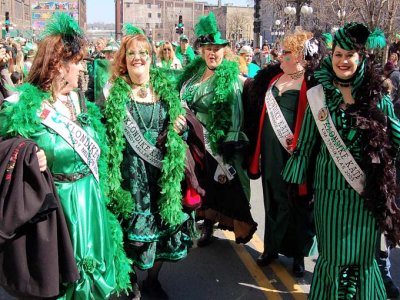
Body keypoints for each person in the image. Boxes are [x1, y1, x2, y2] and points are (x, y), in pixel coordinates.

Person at [0, 13, 132, 299]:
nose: (82, 69)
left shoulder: (79, 100)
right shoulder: (22, 107)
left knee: (97, 276)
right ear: (60, 65)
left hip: (91, 203)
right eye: (78, 62)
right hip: (58, 208)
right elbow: (5, 150)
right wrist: (26, 153)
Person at [283, 22, 400, 299]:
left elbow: (394, 133)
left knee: (362, 260)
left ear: (360, 58)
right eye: (338, 54)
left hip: (365, 197)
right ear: (330, 57)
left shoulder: (378, 98)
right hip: (330, 194)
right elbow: (308, 141)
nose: (343, 60)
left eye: (349, 55)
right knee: (334, 258)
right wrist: (293, 181)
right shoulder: (318, 95)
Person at [103, 24, 199, 299]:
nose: (138, 57)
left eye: (143, 52)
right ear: (124, 59)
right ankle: (131, 280)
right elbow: (106, 134)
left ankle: (152, 280)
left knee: (164, 229)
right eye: (131, 53)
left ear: (151, 56)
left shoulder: (166, 90)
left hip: (160, 175)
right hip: (129, 176)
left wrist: (182, 128)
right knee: (129, 232)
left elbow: (182, 129)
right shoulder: (114, 94)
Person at [243, 31, 321, 277]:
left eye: (286, 52)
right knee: (272, 201)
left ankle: (297, 255)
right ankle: (271, 248)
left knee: (295, 204)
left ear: (300, 56)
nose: (281, 56)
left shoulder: (311, 83)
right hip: (270, 153)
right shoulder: (273, 79)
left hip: (294, 155)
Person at [178, 12, 257, 247]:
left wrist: (229, 144)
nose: (212, 52)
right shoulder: (193, 73)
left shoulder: (229, 78)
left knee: (214, 187)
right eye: (208, 48)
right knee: (195, 187)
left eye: (217, 48)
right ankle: (195, 225)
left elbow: (235, 113)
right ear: (201, 50)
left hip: (214, 141)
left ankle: (209, 227)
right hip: (192, 142)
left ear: (225, 50)